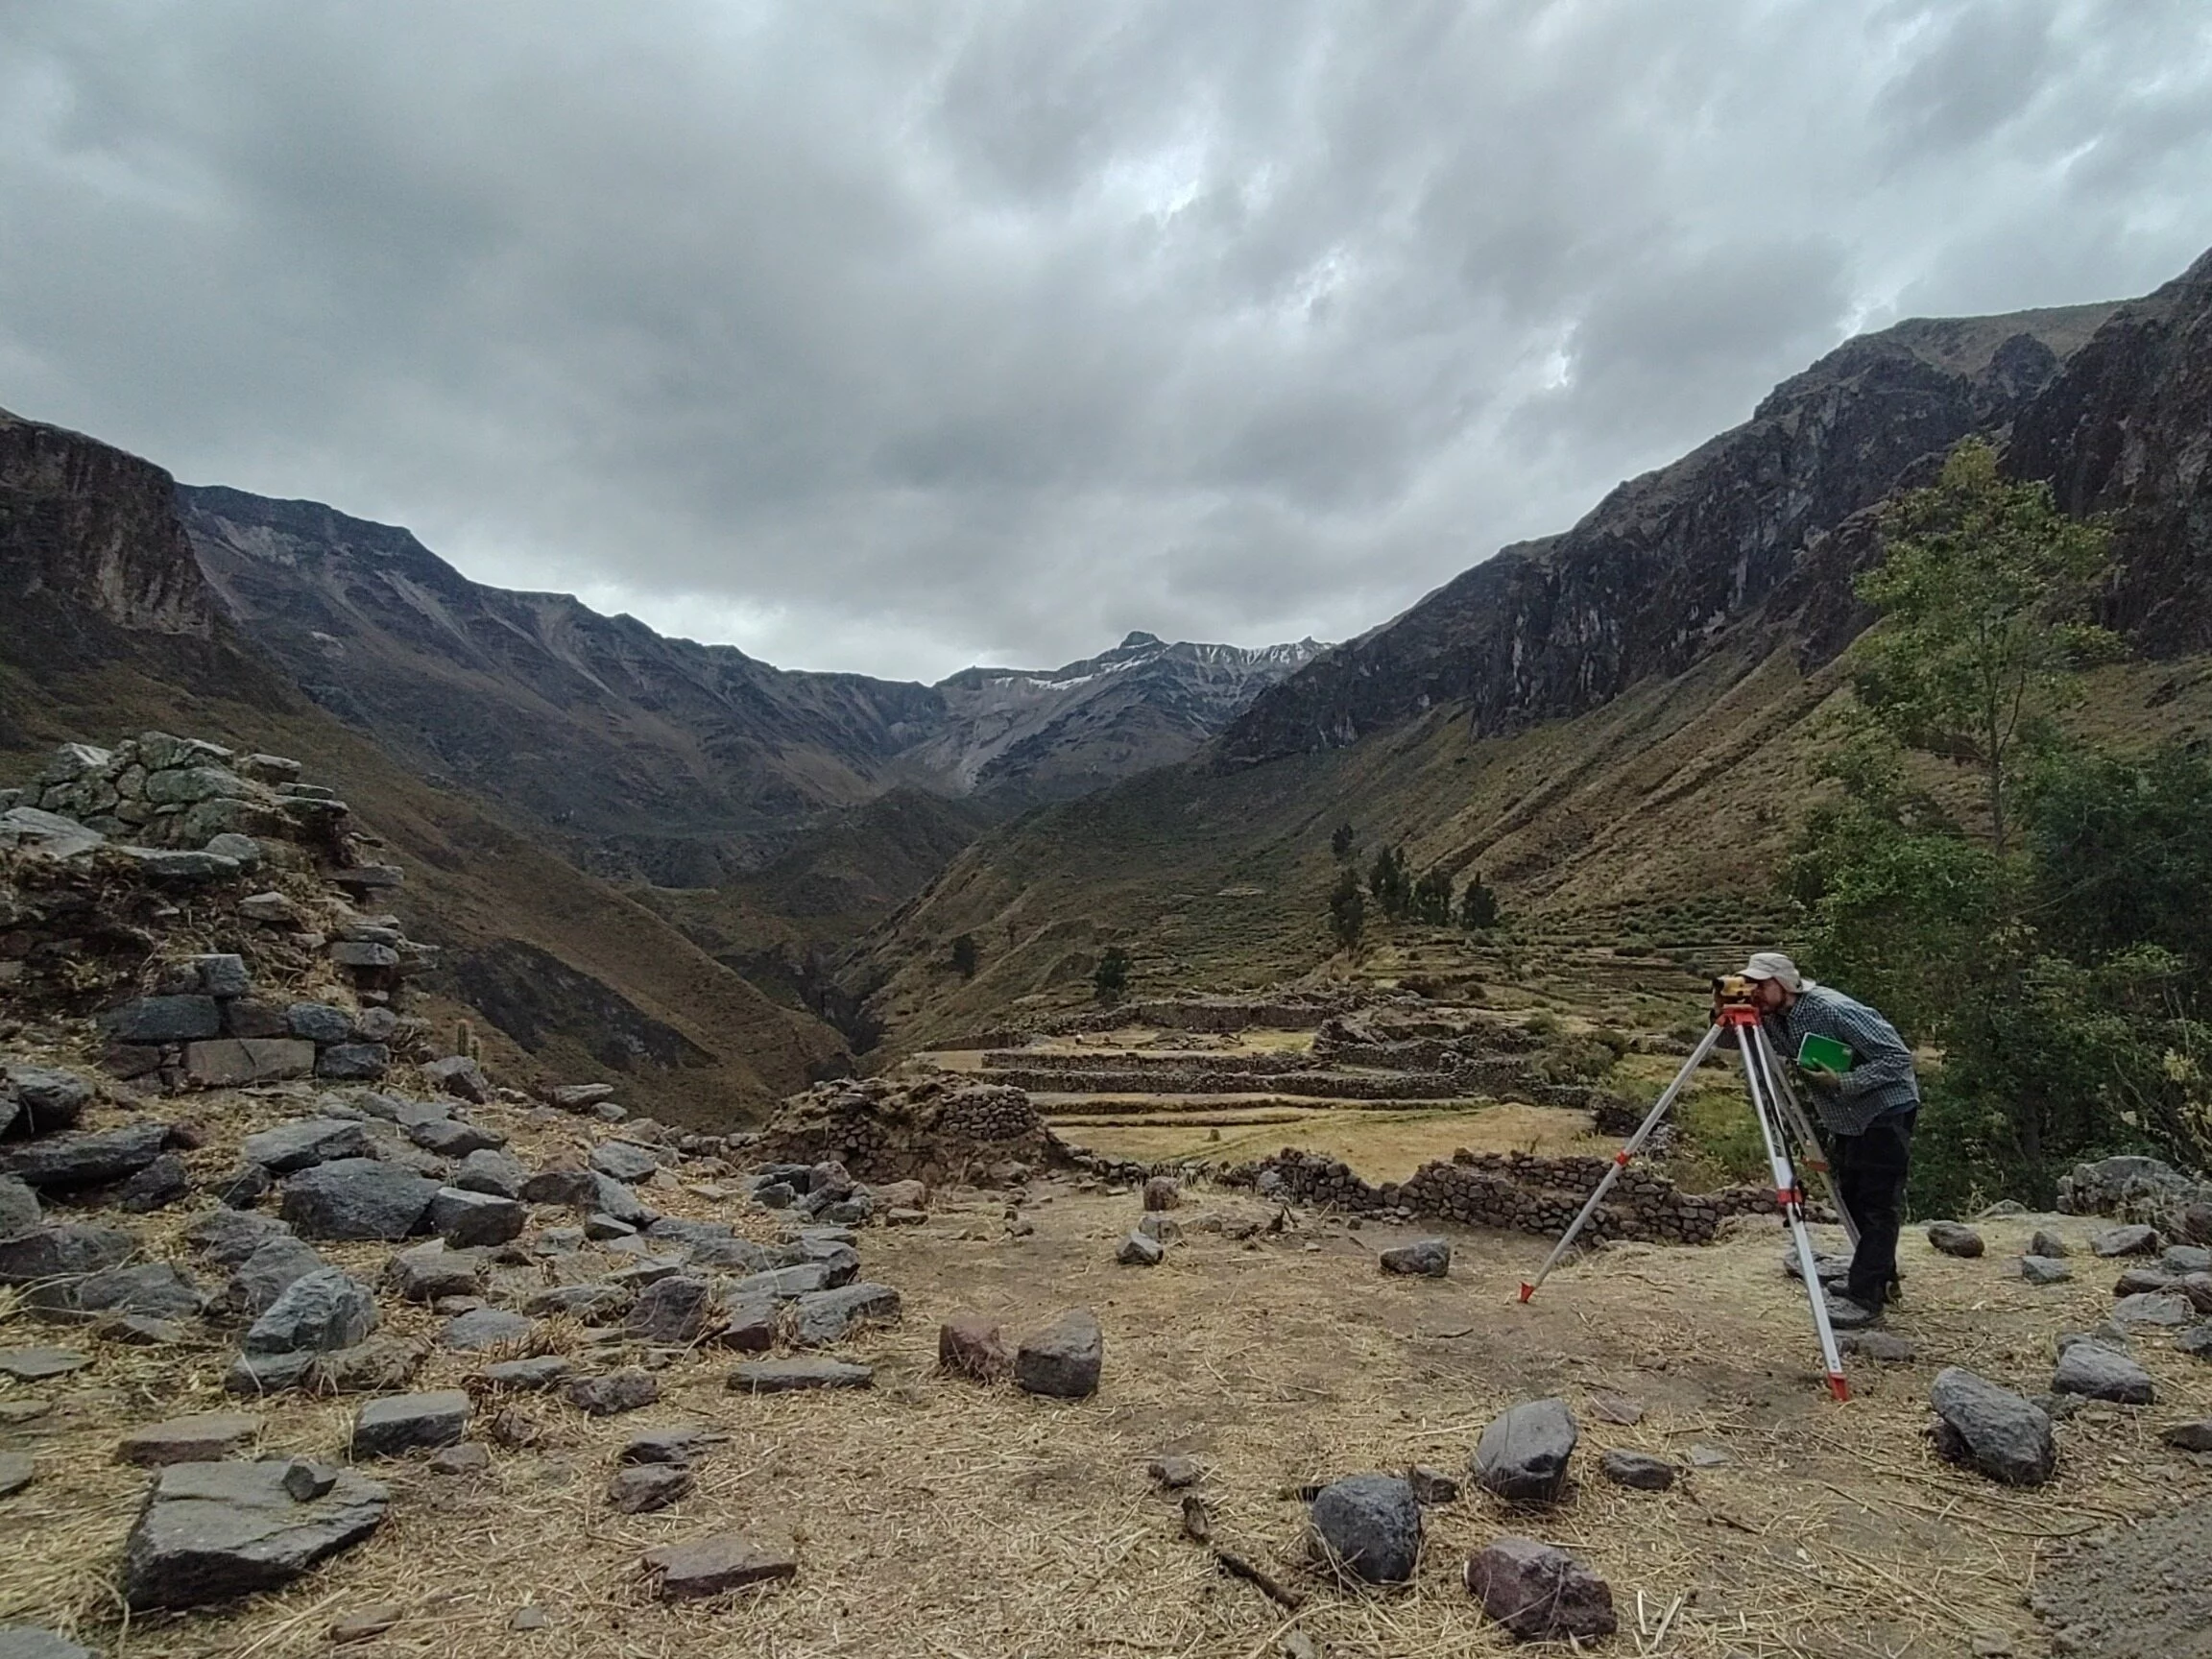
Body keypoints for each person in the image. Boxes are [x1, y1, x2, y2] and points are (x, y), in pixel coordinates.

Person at [1742, 950, 1920, 1323]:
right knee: (1853, 1199)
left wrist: (1846, 1081)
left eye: (1760, 984)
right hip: (1847, 1120)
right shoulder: (1777, 1018)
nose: (1753, 991)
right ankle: (1878, 1277)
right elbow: (1734, 1041)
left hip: (1882, 1112)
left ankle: (1867, 1298)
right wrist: (1722, 1007)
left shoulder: (1833, 1009)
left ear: (1784, 984)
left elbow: (1897, 1058)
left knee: (1877, 1204)